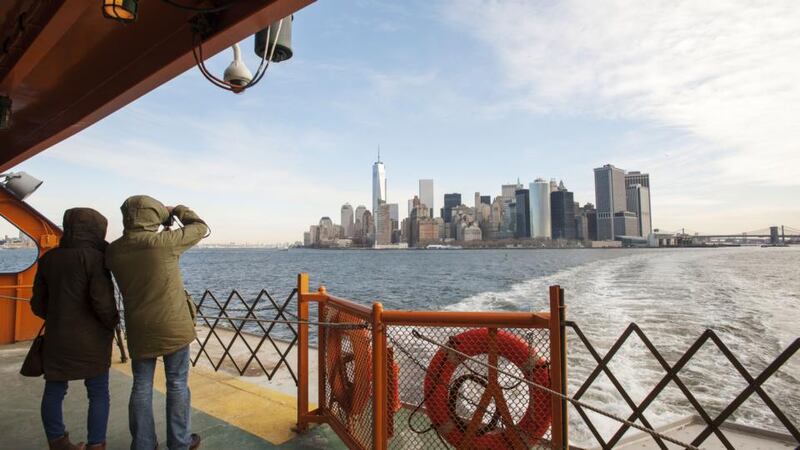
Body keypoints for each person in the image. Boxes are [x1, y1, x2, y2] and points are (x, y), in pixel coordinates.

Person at [106, 196, 207, 450]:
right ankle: (180, 442)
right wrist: (176, 210)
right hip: (173, 327)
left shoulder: (114, 250)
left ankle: (142, 444)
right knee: (176, 384)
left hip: (139, 328)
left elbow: (141, 251)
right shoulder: (163, 244)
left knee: (141, 385)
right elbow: (200, 227)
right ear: (154, 214)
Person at [31, 208, 119, 450]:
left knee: (54, 390)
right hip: (93, 339)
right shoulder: (95, 258)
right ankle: (96, 444)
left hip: (58, 337)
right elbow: (102, 302)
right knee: (98, 392)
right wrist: (112, 322)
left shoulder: (48, 259)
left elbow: (37, 304)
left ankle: (58, 441)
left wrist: (58, 316)